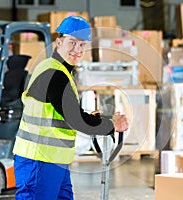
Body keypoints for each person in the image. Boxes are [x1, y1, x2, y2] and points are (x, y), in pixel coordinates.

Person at [12, 16, 129, 200]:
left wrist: (96, 119)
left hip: (55, 161)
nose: (77, 49)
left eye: (82, 45)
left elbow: (67, 113)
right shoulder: (54, 73)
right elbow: (75, 119)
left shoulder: (62, 71)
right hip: (39, 161)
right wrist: (111, 126)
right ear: (59, 42)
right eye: (72, 42)